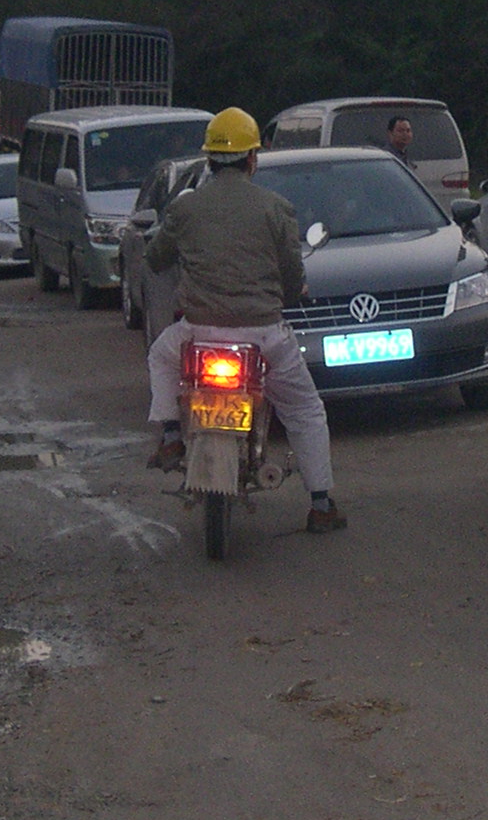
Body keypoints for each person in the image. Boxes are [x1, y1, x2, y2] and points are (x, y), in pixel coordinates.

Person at [143, 107, 345, 533]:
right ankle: (321, 503)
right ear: (253, 158)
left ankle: (171, 434)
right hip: (264, 336)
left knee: (160, 354)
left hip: (198, 333)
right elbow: (291, 271)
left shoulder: (186, 208)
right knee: (305, 411)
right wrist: (292, 294)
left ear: (209, 159)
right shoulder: (276, 207)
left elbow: (156, 258)